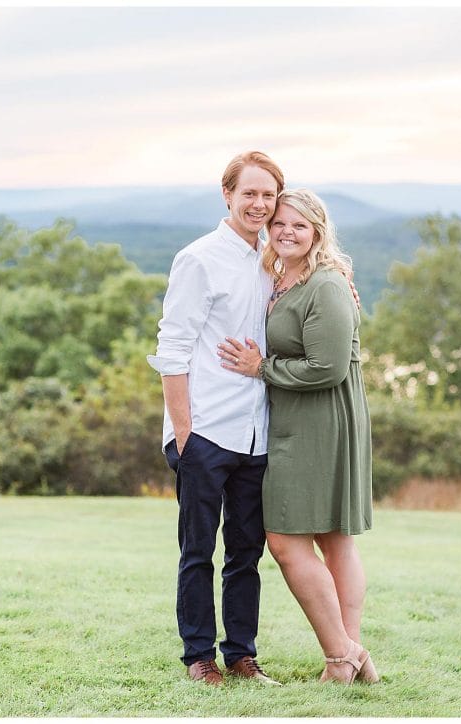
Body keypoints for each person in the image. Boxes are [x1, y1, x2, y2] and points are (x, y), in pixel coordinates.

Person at [217, 188, 378, 685]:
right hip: (293, 420)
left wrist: (261, 367)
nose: (286, 231)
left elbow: (327, 368)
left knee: (289, 540)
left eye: (299, 226)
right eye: (280, 223)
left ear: (318, 233)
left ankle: (340, 655)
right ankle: (351, 656)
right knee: (331, 539)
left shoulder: (326, 284)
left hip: (321, 422)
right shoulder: (279, 275)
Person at [146, 151, 283, 687]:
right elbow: (173, 347)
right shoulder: (199, 259)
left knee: (247, 552)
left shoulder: (275, 259)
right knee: (198, 550)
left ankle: (241, 655)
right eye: (249, 193)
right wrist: (184, 435)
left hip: (257, 434)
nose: (259, 204)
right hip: (204, 431)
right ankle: (198, 656)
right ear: (227, 195)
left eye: (268, 195)